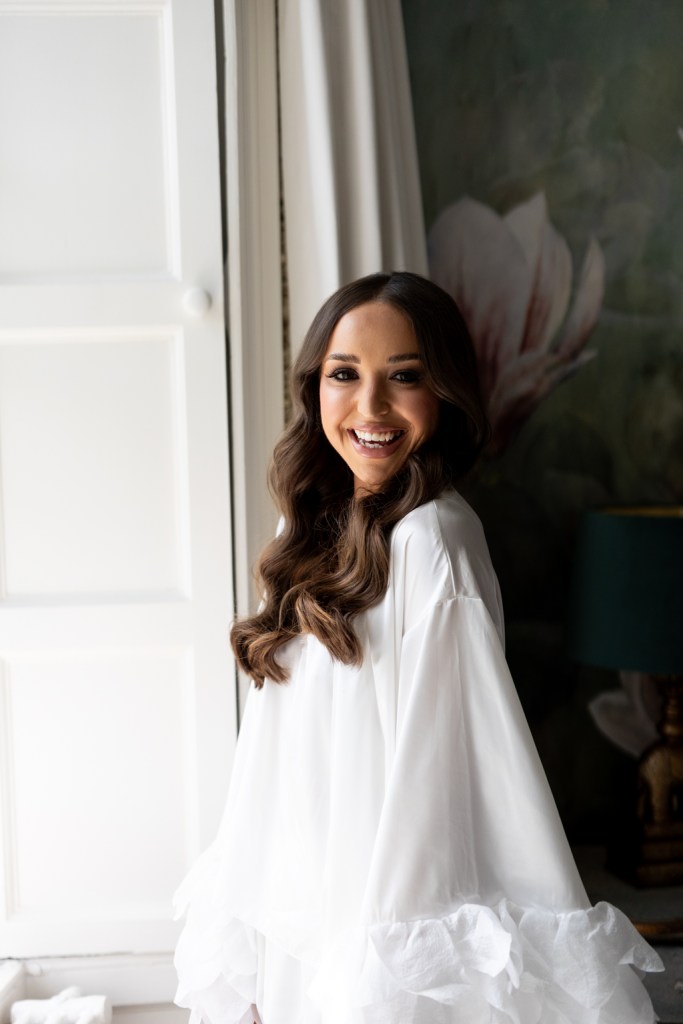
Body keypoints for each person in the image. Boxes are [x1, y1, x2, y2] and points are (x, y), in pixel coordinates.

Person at [174, 272, 662, 1024]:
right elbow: (270, 749)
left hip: (383, 929)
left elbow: (451, 772)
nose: (369, 408)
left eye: (403, 378)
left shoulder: (436, 542)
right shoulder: (304, 531)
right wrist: (255, 914)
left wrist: (382, 976)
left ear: (444, 395)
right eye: (344, 375)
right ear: (315, 390)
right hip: (306, 909)